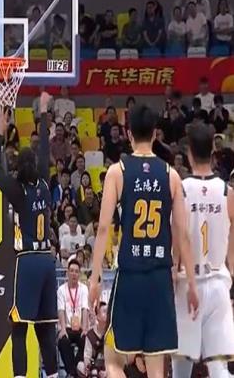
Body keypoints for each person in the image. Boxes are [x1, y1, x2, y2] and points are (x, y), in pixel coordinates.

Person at [88, 104, 199, 378]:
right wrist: (191, 283)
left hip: (130, 277)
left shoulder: (117, 171)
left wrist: (95, 277)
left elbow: (103, 229)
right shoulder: (172, 175)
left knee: (113, 361)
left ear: (128, 134)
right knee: (156, 369)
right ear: (155, 133)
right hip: (159, 279)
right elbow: (182, 234)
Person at [0, 92, 58, 378]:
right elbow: (44, 150)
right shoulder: (45, 181)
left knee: (19, 328)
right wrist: (42, 111)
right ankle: (53, 375)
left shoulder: (18, 192)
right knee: (46, 330)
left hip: (27, 260)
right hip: (48, 261)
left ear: (19, 166)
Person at [172, 124, 234, 378]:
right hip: (218, 281)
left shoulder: (181, 189)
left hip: (188, 283)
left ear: (188, 153)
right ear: (212, 152)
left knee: (181, 370)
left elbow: (179, 237)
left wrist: (175, 269)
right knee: (219, 369)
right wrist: (231, 270)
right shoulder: (228, 191)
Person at [57, 259, 89, 377]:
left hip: (80, 327)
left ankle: (75, 370)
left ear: (79, 274)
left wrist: (84, 328)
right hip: (67, 327)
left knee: (86, 340)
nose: (74, 274)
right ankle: (72, 373)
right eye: (71, 271)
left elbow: (85, 309)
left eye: (76, 271)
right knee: (63, 341)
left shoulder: (83, 288)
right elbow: (61, 310)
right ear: (67, 273)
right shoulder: (61, 289)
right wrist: (63, 329)